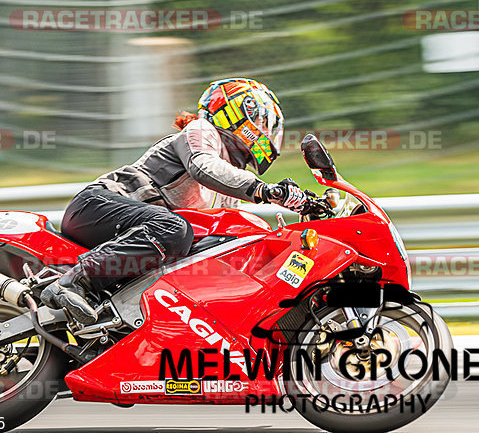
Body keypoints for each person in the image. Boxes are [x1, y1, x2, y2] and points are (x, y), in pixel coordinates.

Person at [41, 78, 313, 324]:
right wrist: (267, 191)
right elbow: (202, 167)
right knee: (176, 230)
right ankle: (71, 283)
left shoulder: (230, 182)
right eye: (262, 123)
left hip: (129, 226)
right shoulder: (201, 131)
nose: (266, 132)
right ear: (239, 114)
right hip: (98, 205)